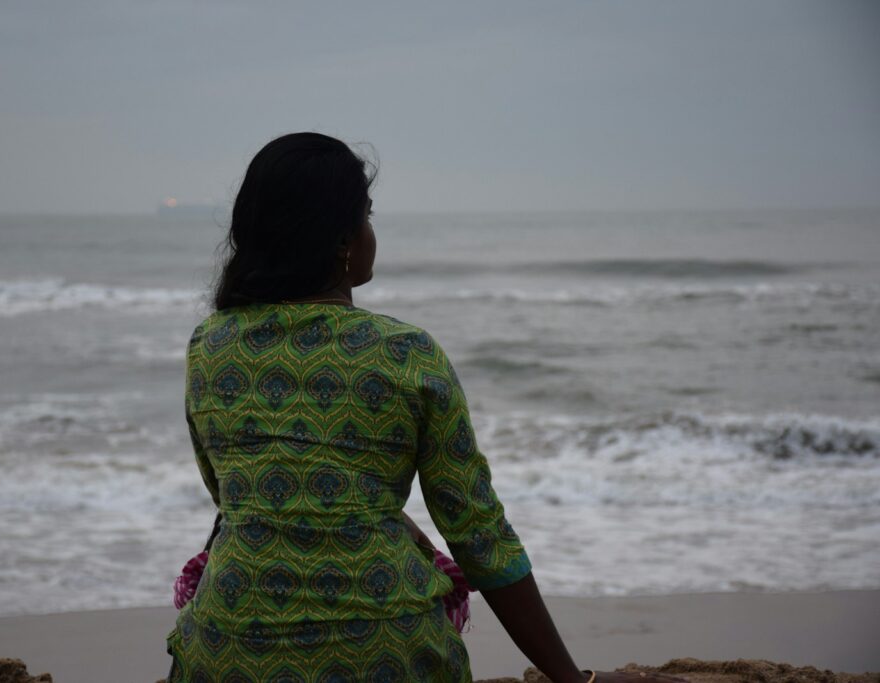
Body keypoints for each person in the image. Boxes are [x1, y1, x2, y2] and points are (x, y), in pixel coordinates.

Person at [166, 132, 684, 683]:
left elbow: (242, 497)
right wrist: (574, 680)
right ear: (342, 240)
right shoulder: (406, 354)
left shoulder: (210, 346)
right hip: (389, 654)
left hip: (224, 653)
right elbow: (478, 533)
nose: (371, 232)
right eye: (366, 217)